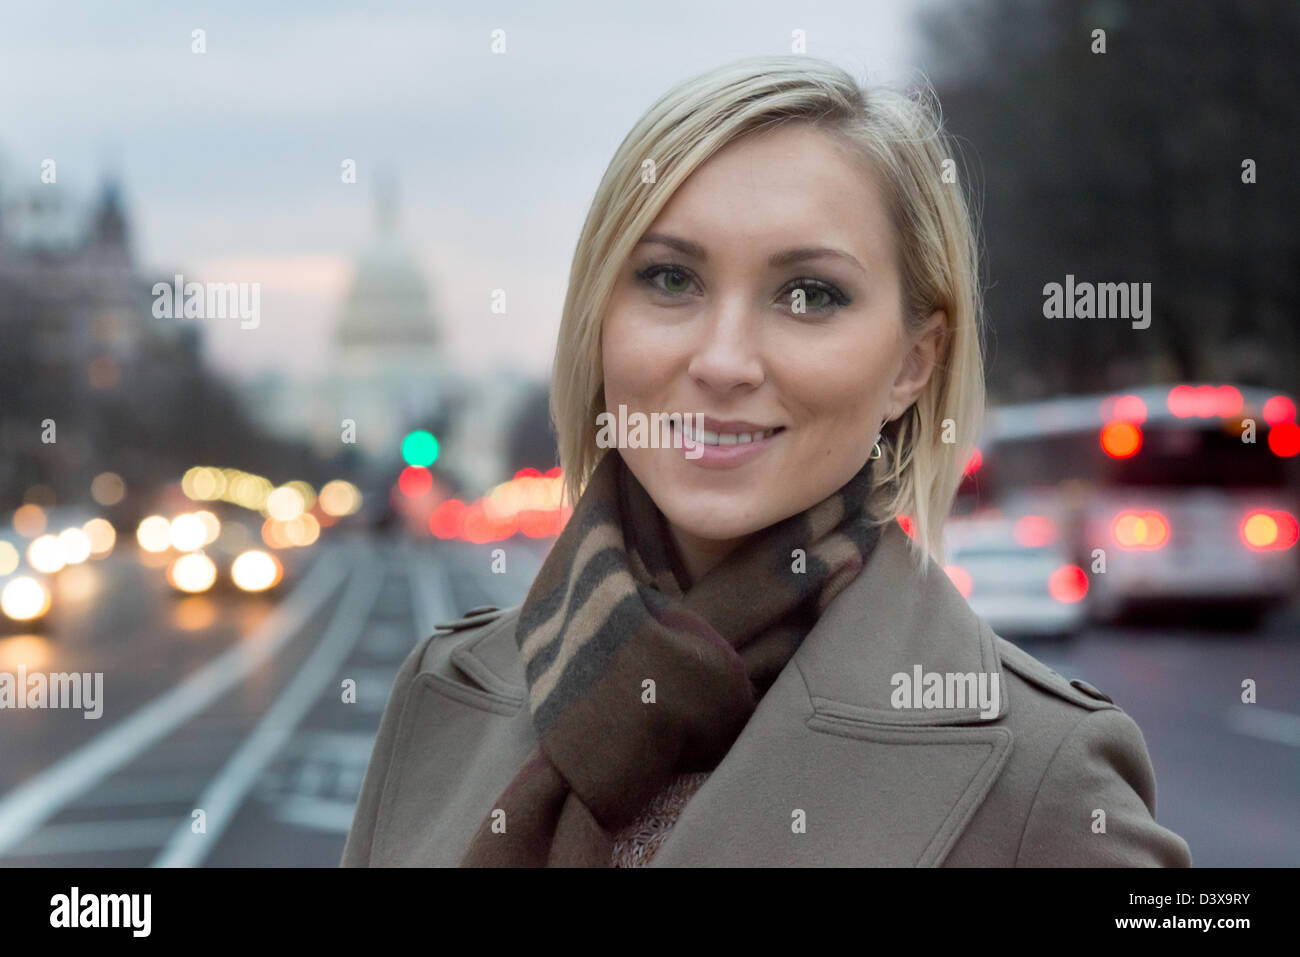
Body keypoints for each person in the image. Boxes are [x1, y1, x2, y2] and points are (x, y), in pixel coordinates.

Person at [341, 55, 1192, 868]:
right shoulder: (442, 699)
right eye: (671, 279)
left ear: (913, 362)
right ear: (599, 322)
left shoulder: (1044, 777)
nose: (724, 360)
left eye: (809, 294)